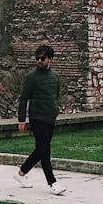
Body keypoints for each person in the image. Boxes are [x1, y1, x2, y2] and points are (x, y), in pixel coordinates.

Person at [15, 44, 66, 195]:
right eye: (37, 58)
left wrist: (56, 109)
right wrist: (21, 120)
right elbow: (23, 99)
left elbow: (56, 96)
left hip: (50, 118)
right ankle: (53, 183)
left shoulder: (55, 76)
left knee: (40, 150)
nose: (39, 61)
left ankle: (21, 174)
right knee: (45, 151)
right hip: (37, 118)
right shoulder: (32, 77)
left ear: (50, 59)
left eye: (42, 58)